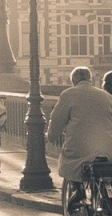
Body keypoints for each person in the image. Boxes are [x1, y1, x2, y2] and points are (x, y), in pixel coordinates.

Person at [47, 66, 112, 198]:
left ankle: (78, 190)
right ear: (90, 79)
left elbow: (57, 121)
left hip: (80, 148)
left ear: (73, 81)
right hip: (106, 148)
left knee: (69, 163)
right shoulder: (106, 96)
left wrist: (50, 137)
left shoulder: (68, 94)